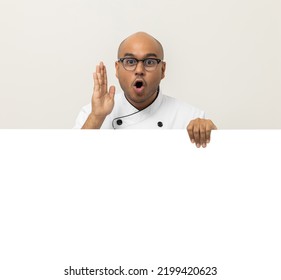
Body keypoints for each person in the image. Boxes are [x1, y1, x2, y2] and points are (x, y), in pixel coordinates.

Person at [74, 32, 217, 148]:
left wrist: (212, 136)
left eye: (149, 62)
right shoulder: (90, 115)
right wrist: (97, 117)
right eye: (130, 62)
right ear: (117, 69)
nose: (139, 70)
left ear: (162, 69)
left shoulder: (189, 118)